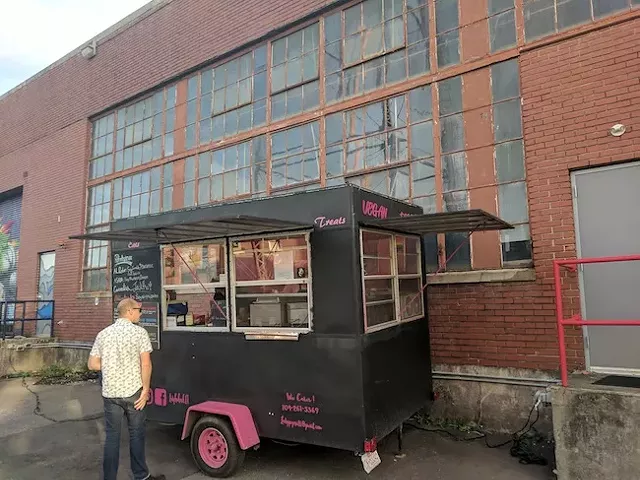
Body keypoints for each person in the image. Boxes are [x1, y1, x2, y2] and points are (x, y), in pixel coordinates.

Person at [88, 297, 165, 480]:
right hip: (134, 394)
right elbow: (146, 365)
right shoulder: (139, 333)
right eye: (139, 309)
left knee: (112, 439)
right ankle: (141, 475)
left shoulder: (103, 334)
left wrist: (111, 364)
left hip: (111, 394)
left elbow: (92, 364)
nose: (140, 313)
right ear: (129, 311)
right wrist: (146, 390)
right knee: (136, 435)